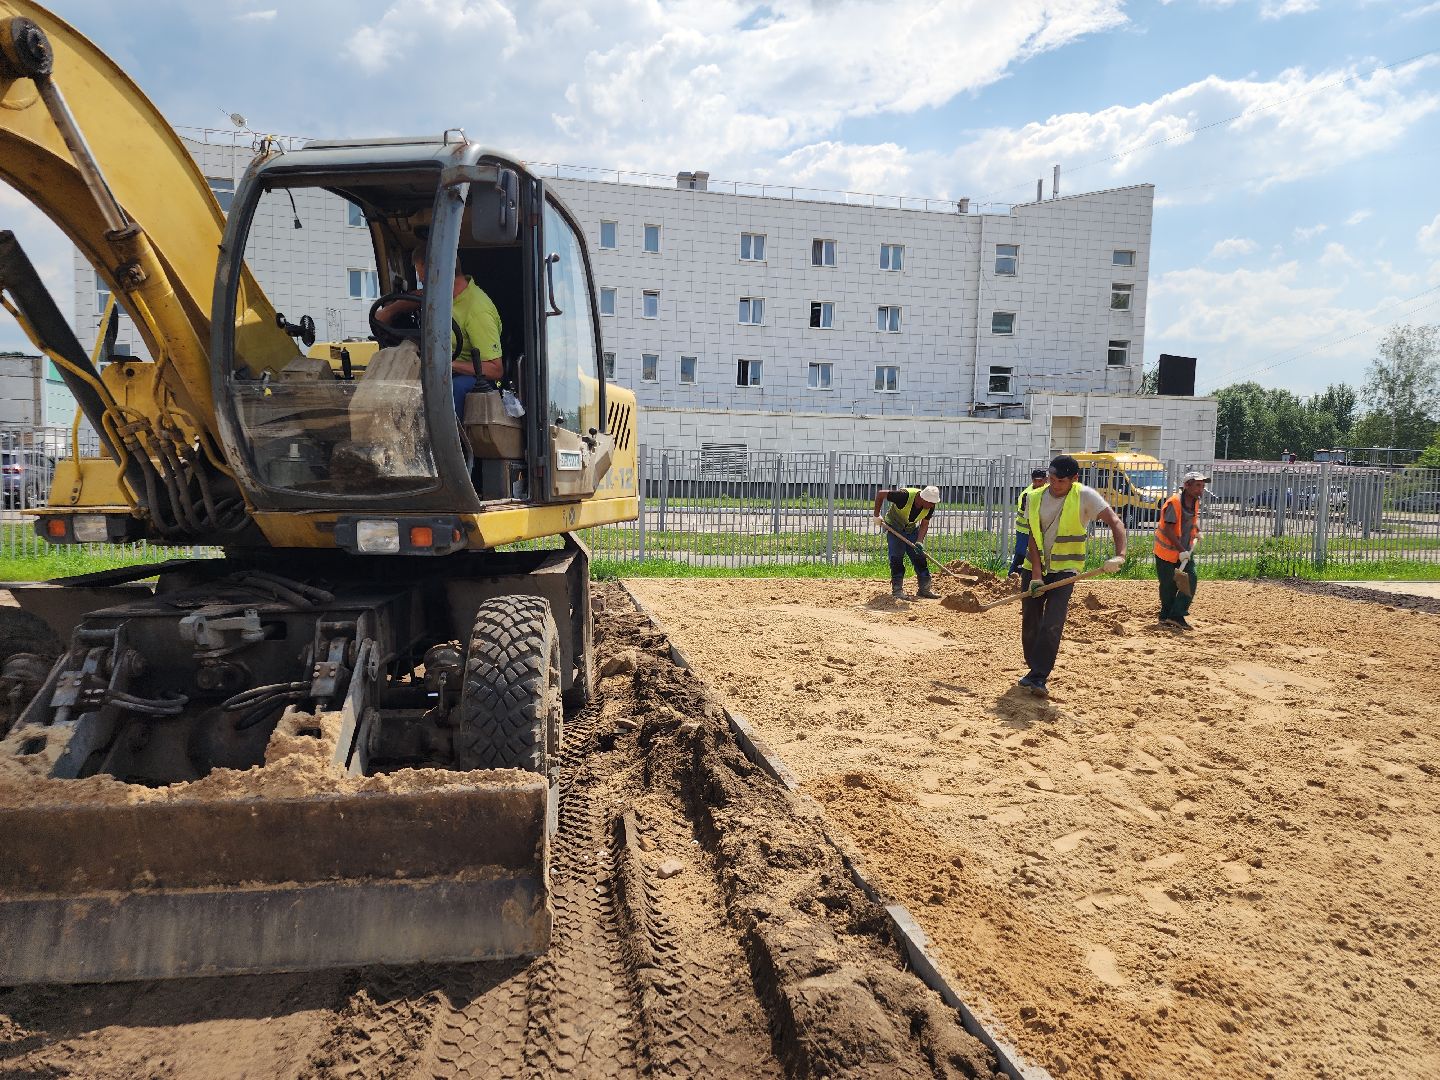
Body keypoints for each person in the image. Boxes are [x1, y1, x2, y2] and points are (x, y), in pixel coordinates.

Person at [1017, 455, 1127, 696]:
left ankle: (1039, 676)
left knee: (1052, 623)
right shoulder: (1034, 497)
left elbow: (1115, 522)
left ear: (1074, 479)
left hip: (1065, 571)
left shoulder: (1085, 496)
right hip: (1035, 568)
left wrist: (1119, 555)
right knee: (1030, 622)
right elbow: (1032, 537)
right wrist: (1036, 573)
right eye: (1051, 479)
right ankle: (1033, 668)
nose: (1054, 485)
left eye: (1060, 481)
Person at [376, 248, 503, 414]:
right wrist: (390, 310)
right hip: (445, 371)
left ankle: (447, 439)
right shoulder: (444, 295)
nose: (424, 286)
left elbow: (495, 369)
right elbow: (420, 296)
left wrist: (447, 364)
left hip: (471, 379)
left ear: (440, 275)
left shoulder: (477, 310)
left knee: (450, 389)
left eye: (425, 281)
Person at [1154, 470, 1208, 629]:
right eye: (1198, 485)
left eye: (1202, 486)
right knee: (1168, 586)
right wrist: (1180, 550)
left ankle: (1177, 615)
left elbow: (1190, 520)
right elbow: (1169, 530)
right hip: (1166, 553)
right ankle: (1165, 616)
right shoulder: (1173, 503)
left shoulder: (1195, 501)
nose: (1201, 489)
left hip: (1185, 551)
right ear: (1187, 485)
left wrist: (1197, 530)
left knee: (1191, 580)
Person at [872, 484, 941, 600]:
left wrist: (919, 542)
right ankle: (897, 590)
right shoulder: (903, 496)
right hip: (894, 527)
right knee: (897, 558)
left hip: (911, 529)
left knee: (919, 557)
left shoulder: (930, 506)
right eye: (931, 503)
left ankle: (925, 589)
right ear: (924, 499)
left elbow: (924, 524)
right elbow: (881, 494)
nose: (932, 506)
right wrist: (876, 515)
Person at [1009, 467, 1049, 577]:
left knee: (1040, 554)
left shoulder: (1048, 492)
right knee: (1021, 554)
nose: (1037, 483)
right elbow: (1028, 514)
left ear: (1046, 480)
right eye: (1035, 480)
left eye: (1040, 480)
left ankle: (1036, 576)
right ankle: (1013, 577)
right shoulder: (1027, 494)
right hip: (1024, 530)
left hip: (1039, 530)